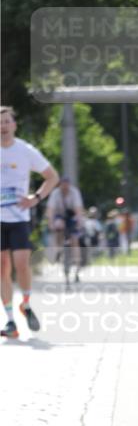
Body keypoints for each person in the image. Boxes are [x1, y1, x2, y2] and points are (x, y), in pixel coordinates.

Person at [1, 105, 59, 337]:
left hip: (19, 218)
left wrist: (35, 198)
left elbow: (52, 177)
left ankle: (25, 304)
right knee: (2, 267)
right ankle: (10, 321)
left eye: (7, 121)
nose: (2, 126)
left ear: (14, 126)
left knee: (22, 264)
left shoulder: (25, 151)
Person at [46, 177, 85, 284]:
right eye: (63, 185)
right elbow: (51, 209)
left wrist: (79, 222)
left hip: (71, 216)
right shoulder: (55, 193)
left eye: (67, 185)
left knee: (75, 240)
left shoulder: (74, 192)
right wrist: (50, 223)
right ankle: (59, 249)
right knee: (58, 226)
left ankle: (77, 267)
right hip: (59, 216)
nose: (65, 187)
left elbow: (78, 209)